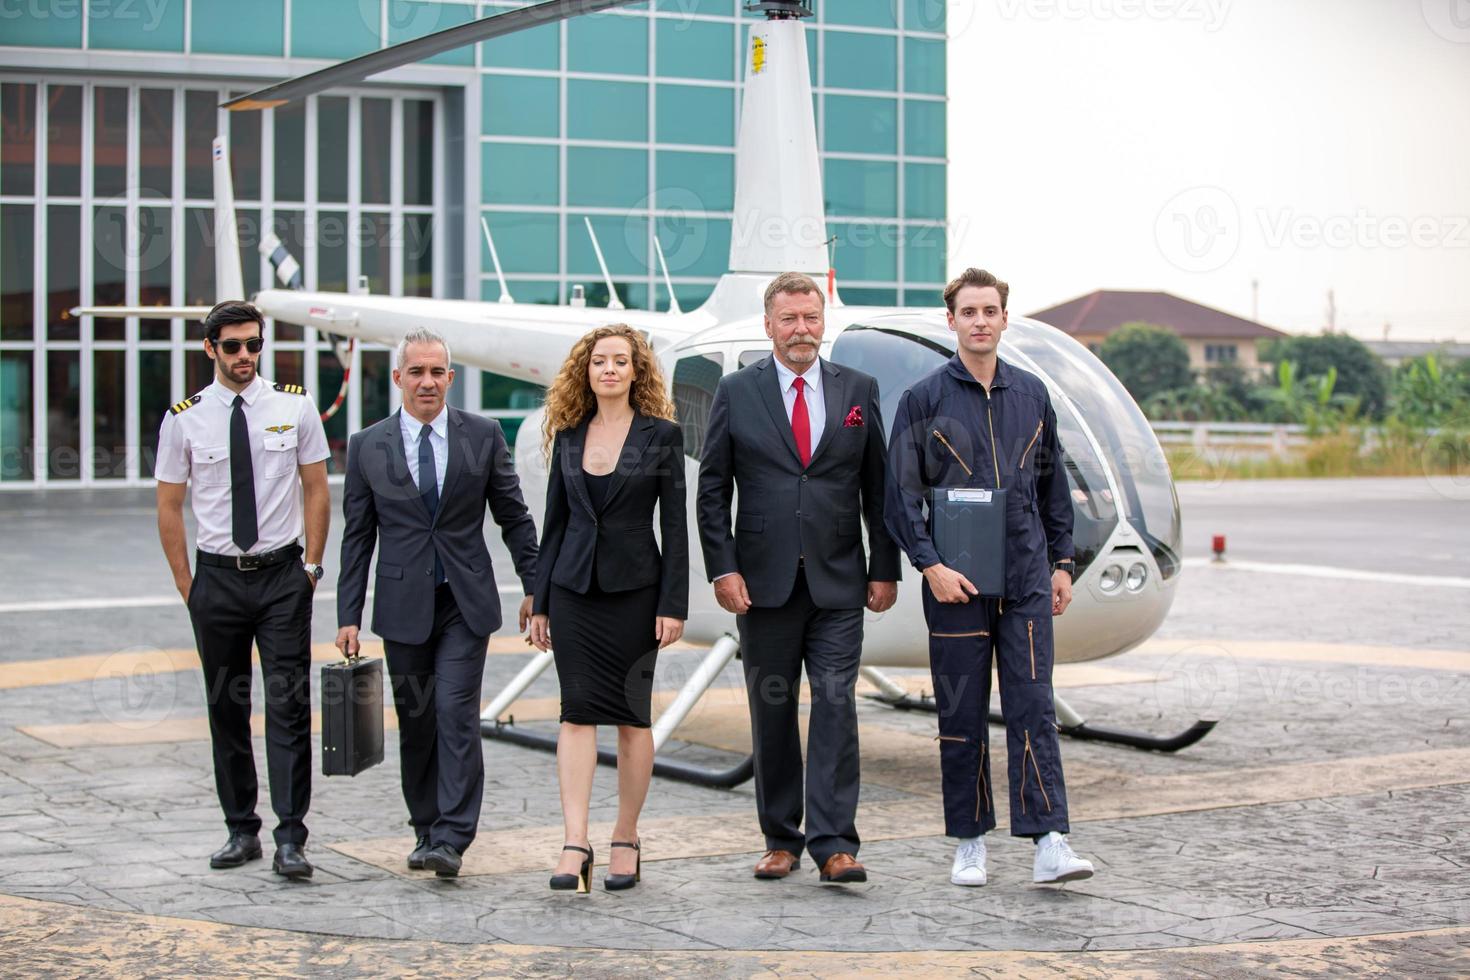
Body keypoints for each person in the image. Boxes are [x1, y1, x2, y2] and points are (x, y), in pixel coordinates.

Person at [884, 267, 1094, 887]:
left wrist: (1061, 563)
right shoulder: (923, 400)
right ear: (951, 321)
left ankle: (1049, 839)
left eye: (990, 311)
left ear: (1005, 319)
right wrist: (930, 566)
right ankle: (970, 842)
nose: (979, 321)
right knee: (962, 711)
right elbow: (900, 497)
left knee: (1033, 705)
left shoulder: (1033, 395)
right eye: (968, 312)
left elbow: (1055, 489)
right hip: (956, 583)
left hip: (1028, 575)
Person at [697, 271, 900, 885]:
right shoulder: (737, 391)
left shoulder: (858, 389)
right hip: (762, 585)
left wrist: (884, 568)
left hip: (840, 582)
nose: (801, 330)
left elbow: (878, 488)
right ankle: (780, 838)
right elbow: (712, 491)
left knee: (837, 706)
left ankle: (836, 843)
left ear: (823, 321)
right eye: (788, 319)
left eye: (810, 318)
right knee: (773, 710)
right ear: (768, 325)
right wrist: (723, 568)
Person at [336, 327, 539, 878]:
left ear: (451, 377)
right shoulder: (367, 445)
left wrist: (534, 586)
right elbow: (357, 536)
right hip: (402, 606)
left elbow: (513, 517)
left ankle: (452, 835)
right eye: (417, 372)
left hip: (463, 604)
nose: (427, 382)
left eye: (437, 372)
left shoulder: (483, 435)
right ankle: (425, 827)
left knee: (454, 711)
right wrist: (347, 616)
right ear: (399, 378)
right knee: (417, 717)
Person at [155, 300, 331, 879]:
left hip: (283, 578)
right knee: (226, 709)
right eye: (232, 346)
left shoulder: (295, 406)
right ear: (210, 349)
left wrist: (310, 567)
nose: (245, 356)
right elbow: (169, 506)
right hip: (218, 582)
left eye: (253, 344)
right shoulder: (184, 418)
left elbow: (317, 489)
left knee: (289, 707)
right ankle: (240, 829)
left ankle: (290, 836)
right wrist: (190, 587)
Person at [528, 325, 688, 893]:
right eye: (600, 361)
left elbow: (674, 526)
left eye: (622, 361)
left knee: (631, 716)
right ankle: (575, 840)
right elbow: (554, 525)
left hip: (636, 596)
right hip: (572, 594)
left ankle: (626, 835)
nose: (611, 369)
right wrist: (540, 601)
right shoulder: (568, 435)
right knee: (575, 714)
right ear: (587, 371)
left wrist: (673, 604)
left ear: (636, 371)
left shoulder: (663, 435)